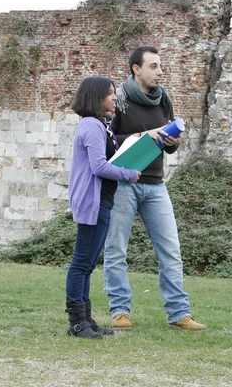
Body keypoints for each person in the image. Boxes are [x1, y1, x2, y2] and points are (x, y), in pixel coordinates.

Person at [103, 46, 206, 331]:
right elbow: (109, 141)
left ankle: (179, 313)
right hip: (124, 182)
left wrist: (172, 141)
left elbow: (170, 148)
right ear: (136, 68)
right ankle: (120, 311)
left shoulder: (164, 100)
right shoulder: (119, 99)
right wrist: (142, 135)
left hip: (156, 184)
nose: (160, 71)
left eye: (160, 66)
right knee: (116, 249)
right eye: (154, 66)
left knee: (171, 250)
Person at [66, 76, 140, 339]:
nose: (114, 98)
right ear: (95, 97)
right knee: (81, 263)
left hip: (103, 201)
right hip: (93, 202)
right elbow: (99, 167)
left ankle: (85, 320)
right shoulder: (91, 126)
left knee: (87, 264)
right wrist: (128, 174)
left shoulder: (99, 125)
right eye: (109, 93)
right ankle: (77, 322)